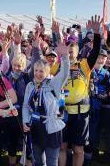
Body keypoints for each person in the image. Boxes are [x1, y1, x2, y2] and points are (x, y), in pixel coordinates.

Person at [59, 15, 102, 166]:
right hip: (62, 113)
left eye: (72, 51)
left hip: (80, 115)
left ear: (78, 52)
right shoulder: (58, 66)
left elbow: (96, 50)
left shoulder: (84, 65)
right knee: (62, 147)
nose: (69, 53)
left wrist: (96, 33)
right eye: (67, 51)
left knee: (78, 150)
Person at [22, 42, 70, 166]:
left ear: (47, 71)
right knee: (38, 161)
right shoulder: (30, 85)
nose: (38, 74)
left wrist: (65, 57)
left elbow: (64, 74)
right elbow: (26, 106)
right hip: (36, 127)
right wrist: (25, 121)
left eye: (41, 71)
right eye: (36, 70)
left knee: (51, 161)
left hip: (52, 128)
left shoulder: (53, 83)